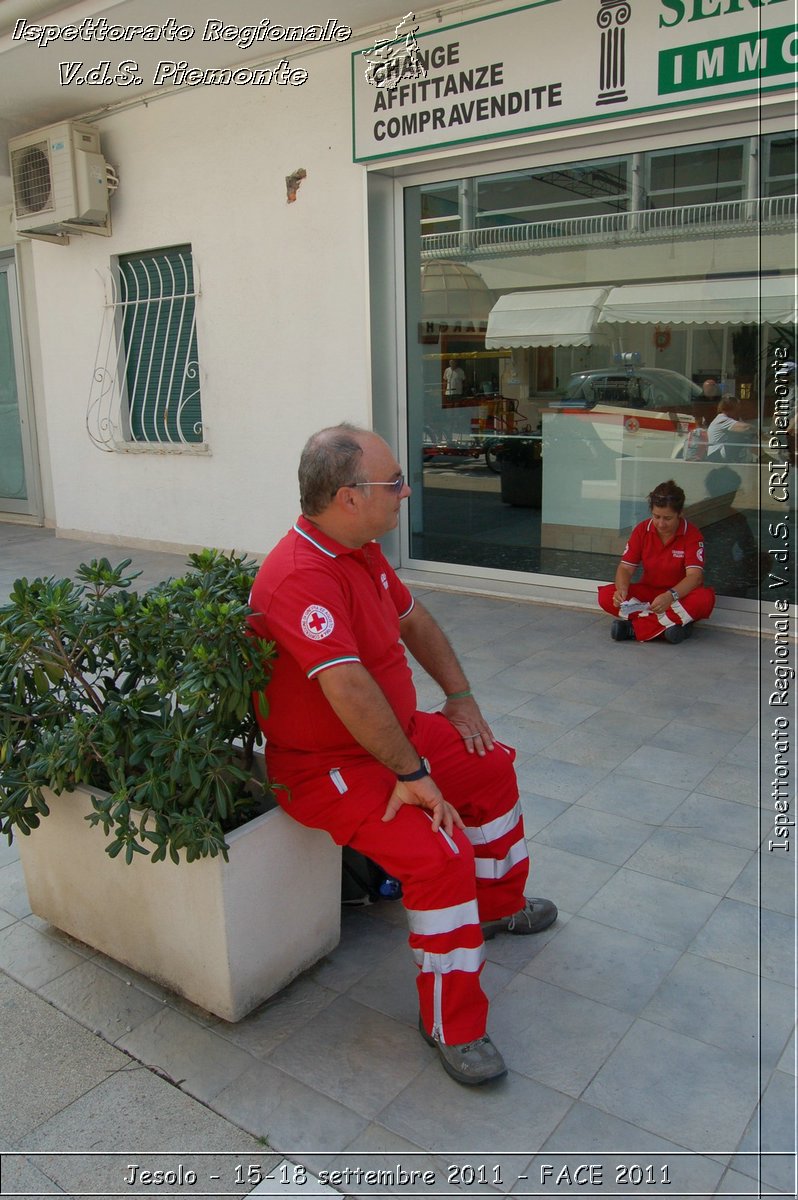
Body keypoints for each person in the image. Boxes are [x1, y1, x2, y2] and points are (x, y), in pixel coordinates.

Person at [248, 424, 557, 1086]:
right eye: (394, 483)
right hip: (326, 766)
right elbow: (348, 687)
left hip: (395, 735)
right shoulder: (300, 575)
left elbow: (414, 622)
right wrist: (413, 776)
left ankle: (498, 904)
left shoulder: (360, 550)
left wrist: (462, 697)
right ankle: (453, 1024)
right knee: (438, 855)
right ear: (349, 496)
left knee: (491, 765)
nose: (407, 491)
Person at [597, 480, 716, 643]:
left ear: (680, 513)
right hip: (649, 595)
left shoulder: (692, 535)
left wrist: (670, 596)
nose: (661, 523)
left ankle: (633, 629)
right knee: (605, 596)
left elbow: (695, 577)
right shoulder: (642, 530)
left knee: (704, 599)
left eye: (667, 518)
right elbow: (625, 568)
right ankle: (671, 626)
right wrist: (621, 589)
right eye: (656, 516)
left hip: (679, 596)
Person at [706, 397, 752, 462]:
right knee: (742, 437)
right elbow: (746, 428)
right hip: (716, 454)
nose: (739, 410)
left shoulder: (731, 419)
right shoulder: (722, 419)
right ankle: (762, 456)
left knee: (747, 435)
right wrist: (760, 432)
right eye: (738, 408)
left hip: (721, 452)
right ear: (731, 408)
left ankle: (760, 456)